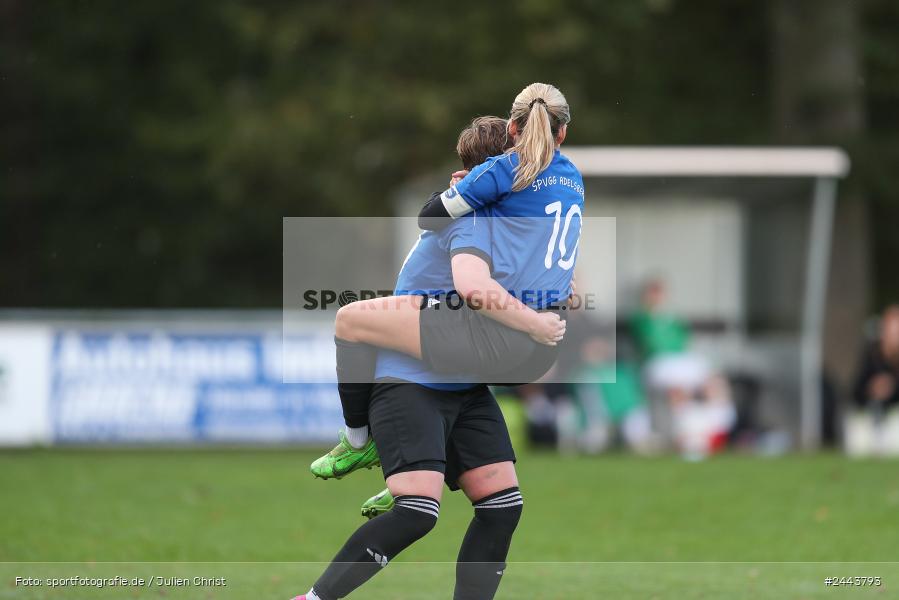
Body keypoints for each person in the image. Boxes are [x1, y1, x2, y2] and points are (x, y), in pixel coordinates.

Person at [294, 82, 582, 600]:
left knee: (502, 504)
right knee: (417, 511)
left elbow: (450, 229)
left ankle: (365, 442)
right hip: (413, 382)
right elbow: (480, 287)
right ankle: (360, 447)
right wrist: (542, 321)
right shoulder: (485, 221)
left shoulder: (492, 213)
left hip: (460, 378)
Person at [311, 91, 577, 482]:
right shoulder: (570, 176)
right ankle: (412, 466)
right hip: (539, 337)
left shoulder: (490, 192)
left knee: (350, 321)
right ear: (563, 133)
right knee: (497, 498)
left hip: (501, 333)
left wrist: (463, 190)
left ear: (515, 130)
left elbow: (431, 221)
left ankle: (358, 440)